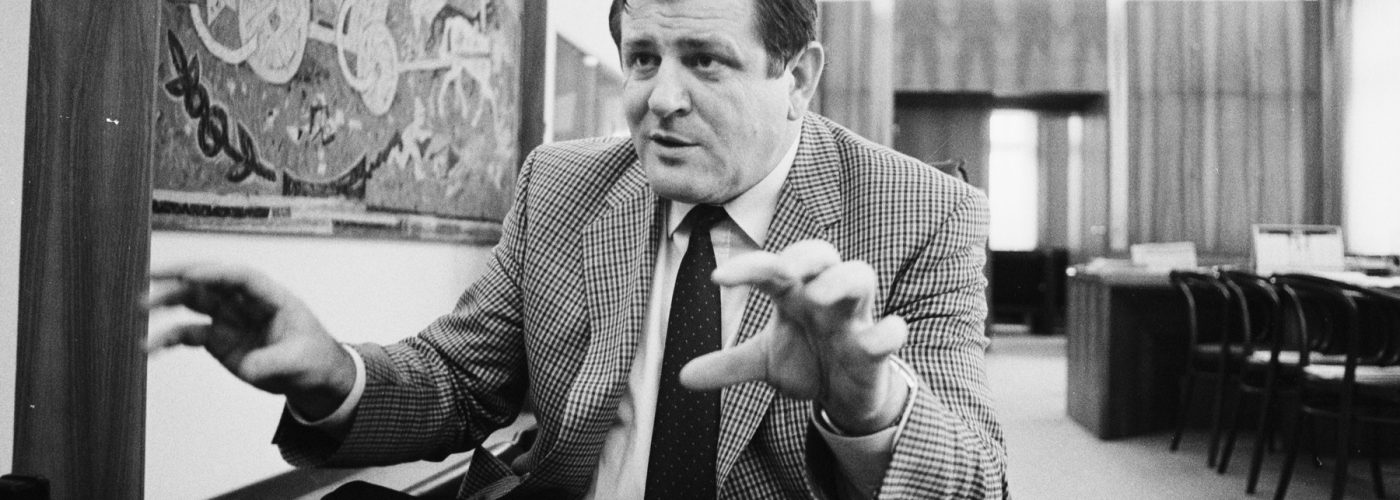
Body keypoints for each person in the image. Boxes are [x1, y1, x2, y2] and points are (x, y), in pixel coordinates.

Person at [147, 0, 1007, 498]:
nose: (660, 99)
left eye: (706, 62)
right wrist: (332, 372)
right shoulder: (562, 185)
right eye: (643, 58)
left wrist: (868, 405)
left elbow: (976, 482)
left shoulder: (925, 214)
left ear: (800, 77)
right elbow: (460, 381)